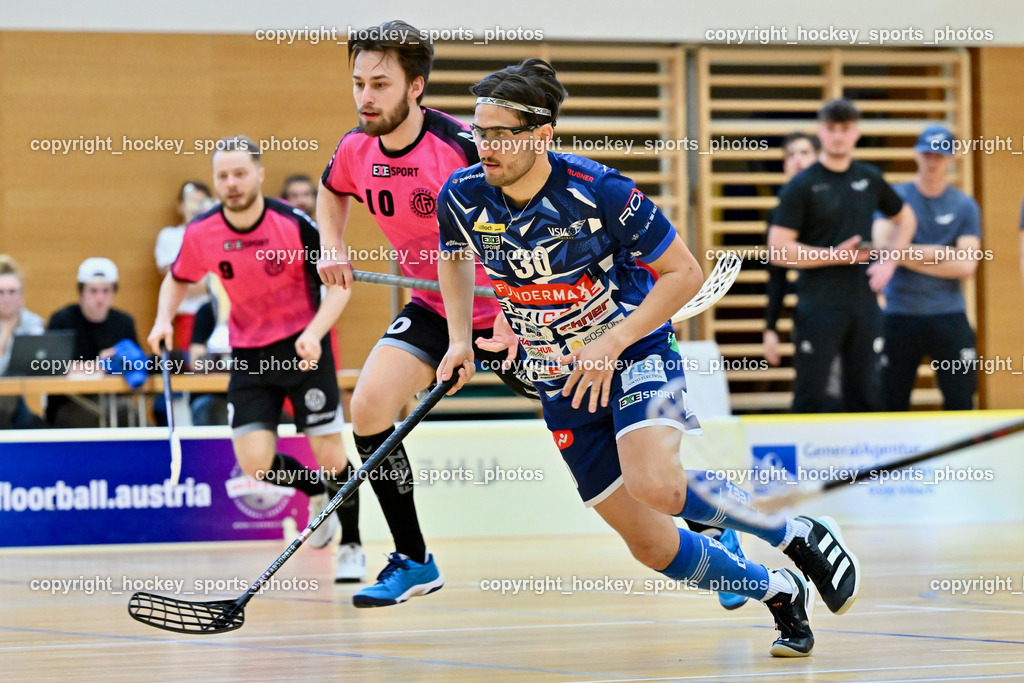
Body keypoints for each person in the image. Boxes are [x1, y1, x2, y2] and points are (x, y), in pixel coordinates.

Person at [435, 58, 863, 657]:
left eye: (501, 133)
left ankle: (796, 534)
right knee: (653, 548)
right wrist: (463, 338)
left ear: (541, 135)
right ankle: (779, 591)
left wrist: (609, 344)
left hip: (634, 349)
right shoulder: (462, 194)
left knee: (657, 483)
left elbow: (684, 273)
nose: (486, 146)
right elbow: (455, 255)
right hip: (559, 377)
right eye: (479, 132)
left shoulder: (600, 190)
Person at [317, 20, 544, 606]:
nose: (366, 97)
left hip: (528, 305)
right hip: (438, 304)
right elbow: (331, 189)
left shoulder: (464, 148)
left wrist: (515, 308)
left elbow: (528, 222)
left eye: (381, 84)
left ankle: (707, 534)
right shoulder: (355, 148)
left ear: (416, 87)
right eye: (358, 83)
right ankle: (415, 559)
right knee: (367, 408)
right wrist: (333, 244)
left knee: (594, 418)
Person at [148, 135, 363, 576]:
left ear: (260, 175)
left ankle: (353, 545)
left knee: (331, 453)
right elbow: (176, 278)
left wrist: (315, 332)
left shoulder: (293, 224)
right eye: (222, 176)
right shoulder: (202, 232)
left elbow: (341, 283)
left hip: (304, 348)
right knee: (254, 462)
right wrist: (163, 319)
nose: (231, 183)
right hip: (249, 356)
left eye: (240, 173)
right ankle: (314, 492)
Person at [769, 98, 917, 413]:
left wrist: (889, 261)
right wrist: (834, 256)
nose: (838, 136)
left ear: (856, 133)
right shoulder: (801, 185)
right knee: (812, 393)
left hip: (863, 304)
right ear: (821, 132)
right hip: (818, 304)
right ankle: (809, 461)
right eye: (831, 129)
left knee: (866, 393)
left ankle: (867, 463)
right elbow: (779, 249)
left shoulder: (869, 177)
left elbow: (906, 218)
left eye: (845, 129)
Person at [877, 125, 981, 411]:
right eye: (927, 154)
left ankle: (962, 457)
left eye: (939, 155)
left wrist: (902, 253)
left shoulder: (965, 206)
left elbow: (966, 265)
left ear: (952, 158)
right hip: (899, 314)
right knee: (889, 403)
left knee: (961, 401)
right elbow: (880, 247)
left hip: (948, 315)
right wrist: (938, 254)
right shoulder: (894, 197)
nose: (932, 161)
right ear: (916, 155)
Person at [47, 257, 141, 428]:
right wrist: (101, 365)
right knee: (115, 417)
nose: (100, 297)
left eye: (106, 291)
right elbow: (50, 367)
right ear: (81, 291)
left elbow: (136, 365)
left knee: (138, 422)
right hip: (69, 404)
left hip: (114, 401)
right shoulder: (62, 320)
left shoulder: (124, 322)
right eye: (93, 291)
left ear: (114, 292)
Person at [154, 181, 215, 351]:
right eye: (192, 202)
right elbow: (178, 282)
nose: (196, 208)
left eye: (202, 202)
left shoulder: (218, 236)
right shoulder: (169, 237)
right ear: (180, 206)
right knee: (191, 370)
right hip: (188, 317)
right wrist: (214, 283)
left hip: (218, 315)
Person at [0, 255, 46, 429]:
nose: (7, 298)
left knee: (37, 426)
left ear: (21, 296)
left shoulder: (32, 322)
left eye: (12, 292)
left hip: (16, 400)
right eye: (1, 292)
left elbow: (40, 361)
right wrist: (5, 332)